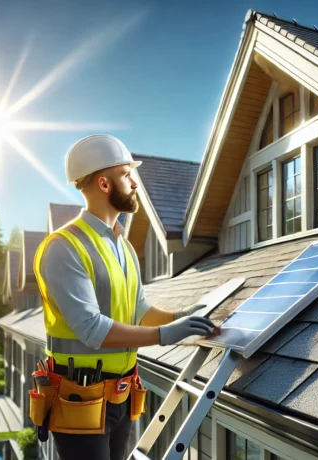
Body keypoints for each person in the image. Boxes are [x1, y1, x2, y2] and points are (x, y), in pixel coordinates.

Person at [33, 134, 216, 460]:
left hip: (121, 394)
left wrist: (181, 317)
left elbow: (138, 309)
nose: (135, 183)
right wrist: (164, 336)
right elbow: (91, 329)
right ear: (104, 184)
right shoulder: (63, 247)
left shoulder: (123, 246)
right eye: (127, 174)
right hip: (79, 400)